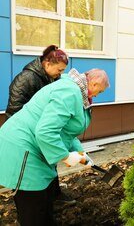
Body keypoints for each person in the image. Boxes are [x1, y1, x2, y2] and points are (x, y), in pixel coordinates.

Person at [0, 68, 109, 225]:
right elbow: (45, 132)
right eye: (100, 91)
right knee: (34, 206)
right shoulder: (70, 92)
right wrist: (66, 156)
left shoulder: (77, 93)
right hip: (23, 147)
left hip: (36, 147)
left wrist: (80, 153)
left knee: (47, 196)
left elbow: (66, 130)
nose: (98, 95)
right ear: (94, 83)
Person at [5, 44, 68, 119]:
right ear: (47, 64)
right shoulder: (24, 79)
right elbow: (14, 112)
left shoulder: (54, 77)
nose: (61, 73)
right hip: (21, 126)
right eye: (60, 70)